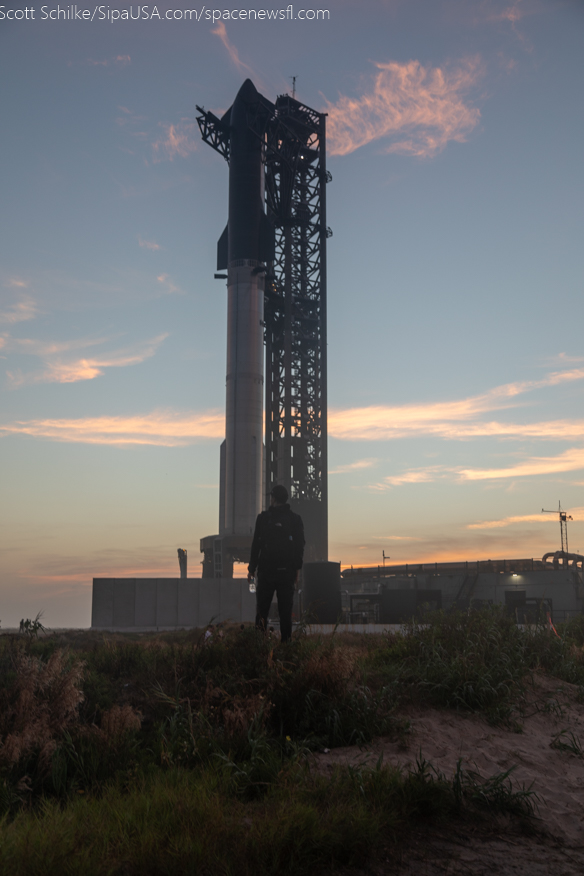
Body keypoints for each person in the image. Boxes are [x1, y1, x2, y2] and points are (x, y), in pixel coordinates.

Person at [248, 484, 305, 643]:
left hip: (266, 572)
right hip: (286, 573)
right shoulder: (295, 520)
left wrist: (251, 569)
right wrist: (297, 569)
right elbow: (300, 546)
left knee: (261, 613)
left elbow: (256, 546)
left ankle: (259, 647)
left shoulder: (263, 518)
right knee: (285, 614)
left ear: (273, 498)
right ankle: (286, 647)